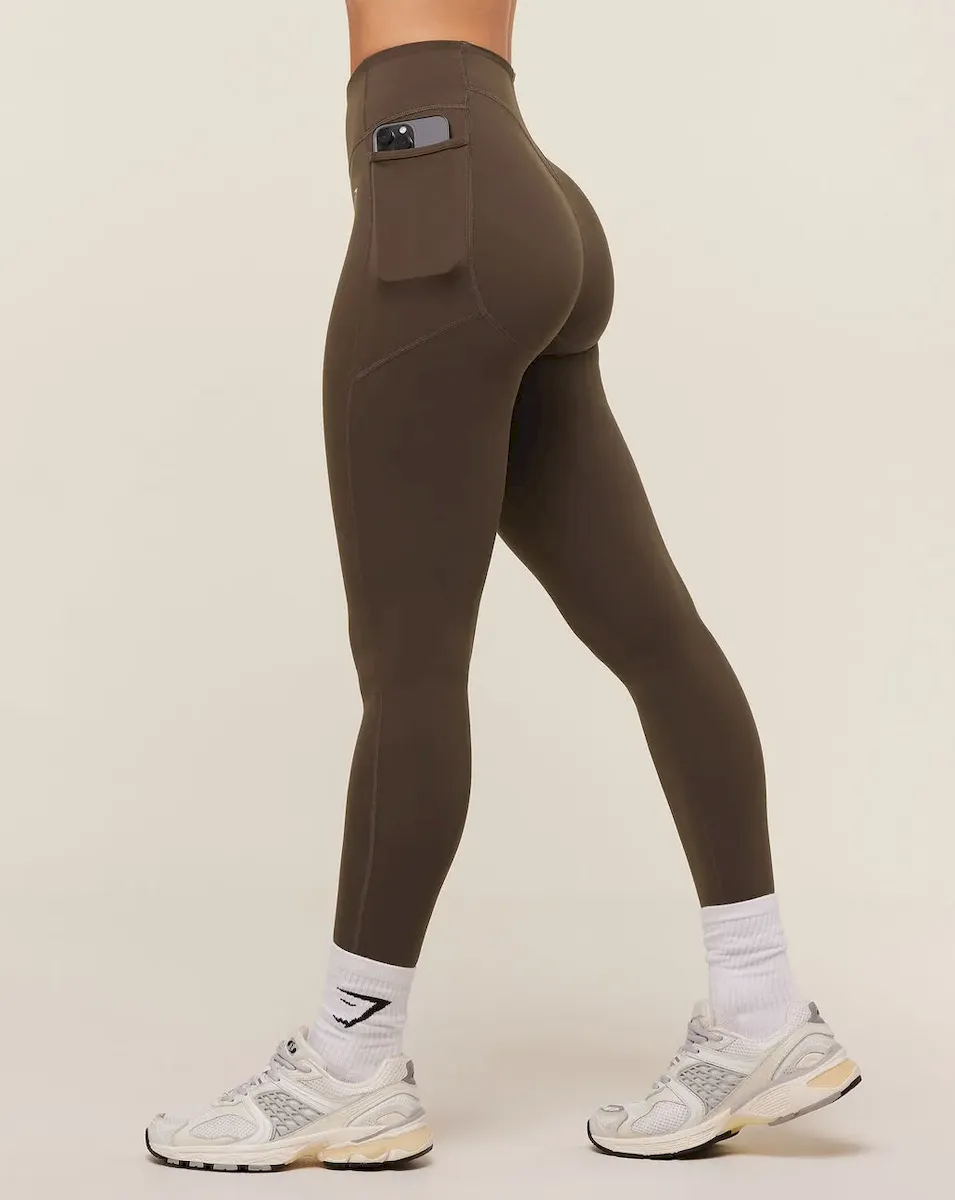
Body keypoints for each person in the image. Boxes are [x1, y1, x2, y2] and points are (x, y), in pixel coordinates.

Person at [146, 0, 860, 1171]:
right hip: (517, 182)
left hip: (435, 178)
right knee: (655, 636)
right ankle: (760, 1010)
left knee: (409, 670)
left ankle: (348, 1064)